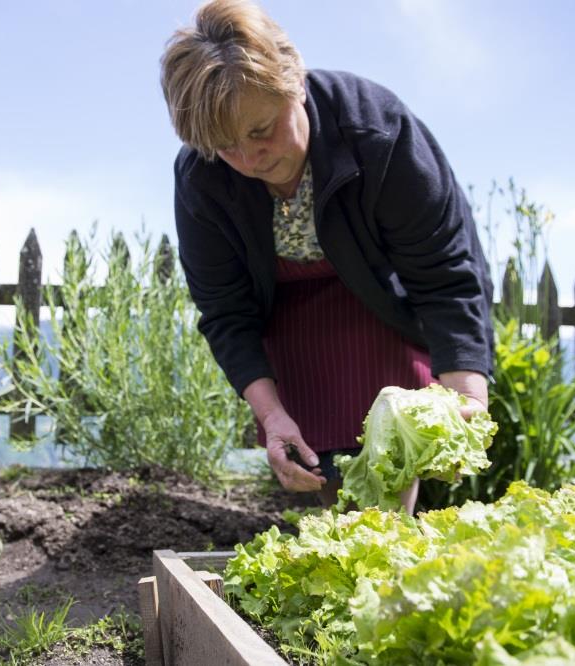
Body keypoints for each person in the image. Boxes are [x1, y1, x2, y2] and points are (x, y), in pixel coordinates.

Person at [160, 0, 493, 513]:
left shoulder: (378, 132)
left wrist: (467, 401)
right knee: (318, 462)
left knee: (388, 437)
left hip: (379, 299)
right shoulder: (201, 177)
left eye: (260, 130)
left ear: (294, 84)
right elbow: (226, 312)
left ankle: (386, 536)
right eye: (227, 145)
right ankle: (333, 539)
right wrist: (271, 418)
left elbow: (444, 274)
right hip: (286, 310)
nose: (250, 158)